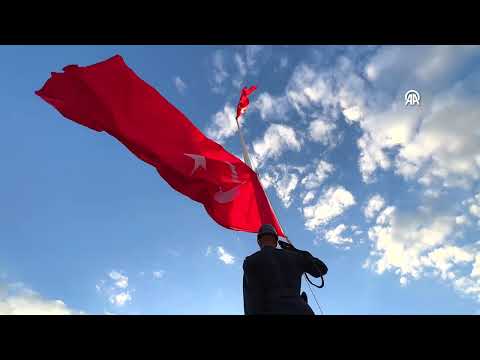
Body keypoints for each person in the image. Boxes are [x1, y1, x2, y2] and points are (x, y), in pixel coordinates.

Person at [242, 224, 328, 315]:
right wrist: (296, 251)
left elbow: (250, 299)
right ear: (276, 241)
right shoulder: (295, 256)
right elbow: (322, 269)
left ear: (259, 241)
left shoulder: (251, 261)